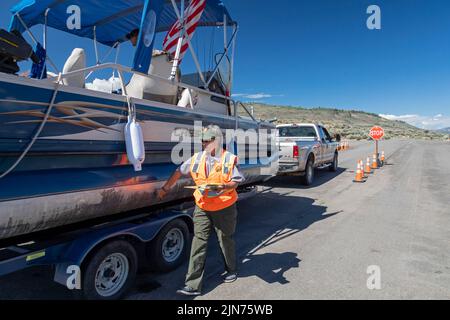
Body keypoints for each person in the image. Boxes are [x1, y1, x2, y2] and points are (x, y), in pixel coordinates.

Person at [157, 126, 244, 296]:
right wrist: (165, 189)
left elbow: (236, 181)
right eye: (203, 141)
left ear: (217, 140)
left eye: (208, 141)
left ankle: (231, 269)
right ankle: (193, 284)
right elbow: (178, 171)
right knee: (199, 242)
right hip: (202, 206)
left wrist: (224, 186)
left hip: (224, 207)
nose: (205, 144)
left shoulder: (229, 159)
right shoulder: (197, 158)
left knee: (225, 240)